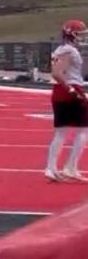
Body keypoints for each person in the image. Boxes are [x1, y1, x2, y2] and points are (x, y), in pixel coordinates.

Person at [45, 20, 87, 182]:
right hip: (69, 89)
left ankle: (51, 168)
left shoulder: (61, 49)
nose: (82, 37)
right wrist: (70, 89)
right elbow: (57, 72)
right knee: (84, 129)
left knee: (60, 133)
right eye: (80, 33)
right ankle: (70, 167)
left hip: (59, 91)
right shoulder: (69, 50)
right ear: (72, 33)